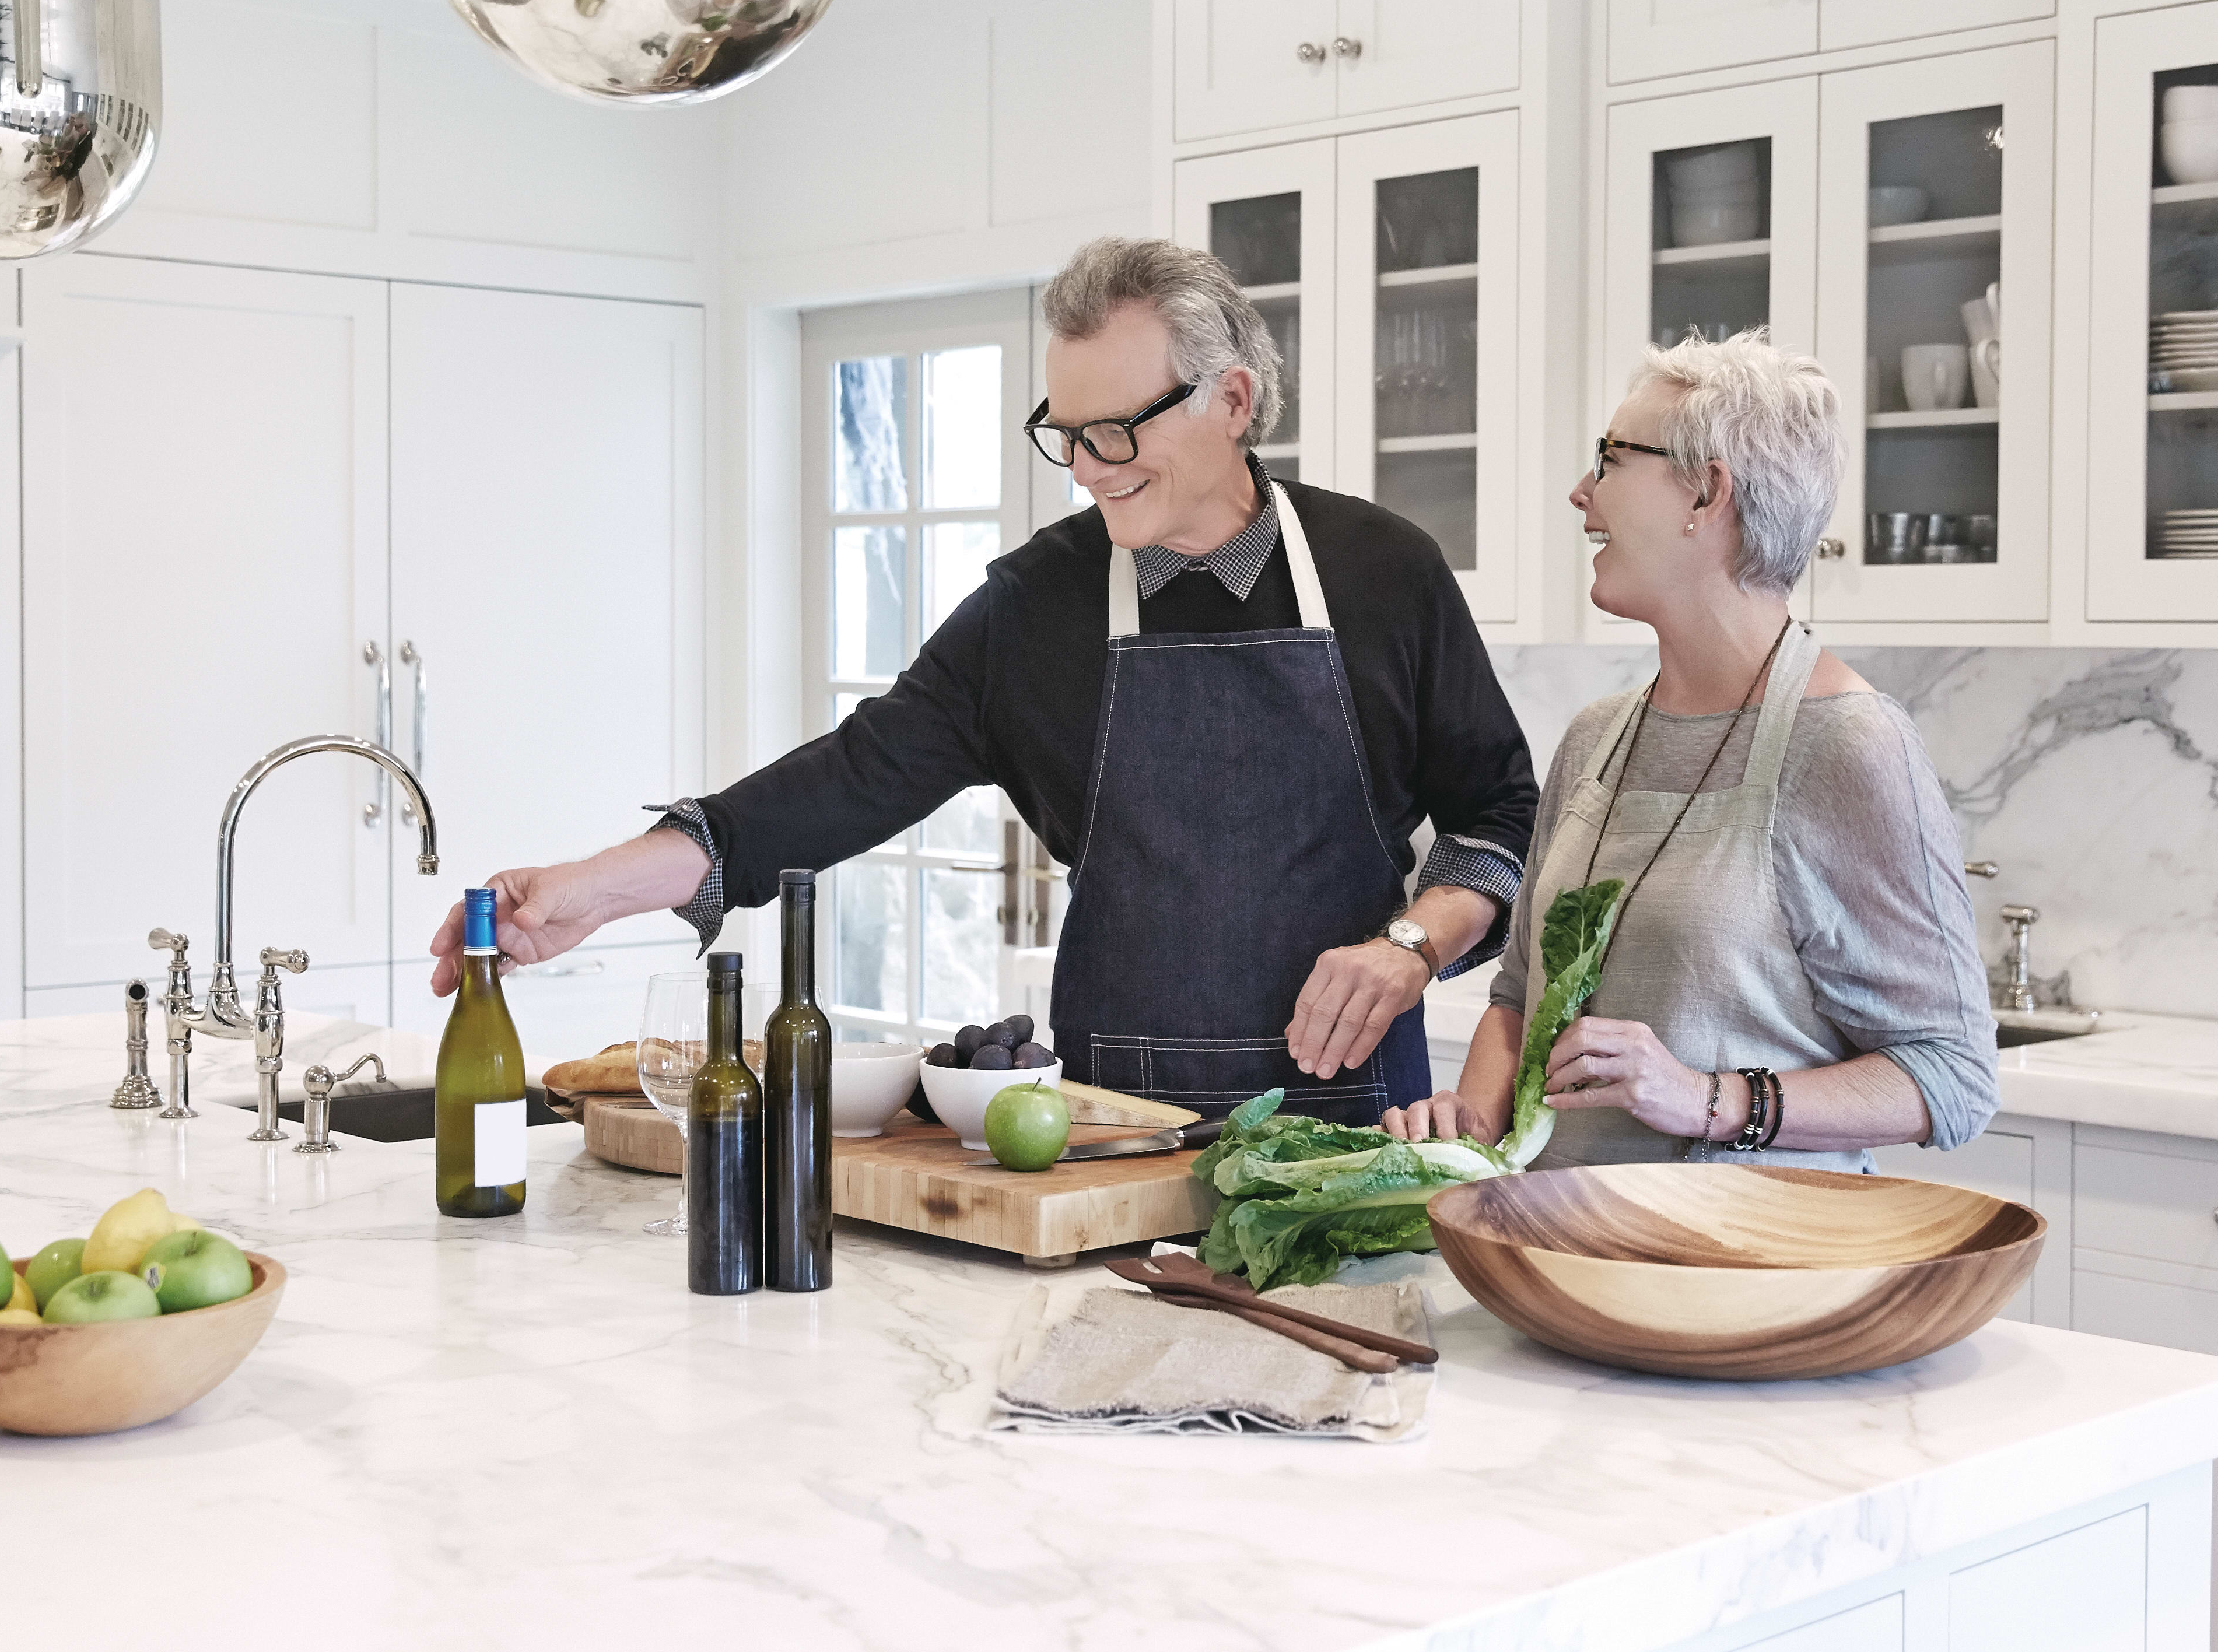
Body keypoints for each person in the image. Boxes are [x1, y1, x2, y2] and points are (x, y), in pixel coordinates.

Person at [431, 236, 1539, 1128]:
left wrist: (1414, 945)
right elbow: (851, 778)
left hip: (1357, 1123)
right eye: (1067, 437)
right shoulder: (1036, 605)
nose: (1092, 471)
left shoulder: (1386, 572)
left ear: (1234, 401)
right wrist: (597, 885)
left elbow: (1499, 819)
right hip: (1113, 1122)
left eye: (1117, 432)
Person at [1385, 331, 1997, 1167]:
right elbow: (1519, 996)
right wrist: (1474, 1123)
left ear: (1707, 493)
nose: (1579, 493)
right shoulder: (1596, 740)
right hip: (1566, 1255)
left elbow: (1953, 1076)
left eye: (1610, 459)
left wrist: (1709, 1100)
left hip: (1748, 1276)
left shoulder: (1852, 745)